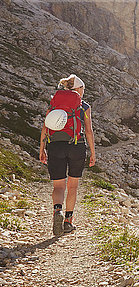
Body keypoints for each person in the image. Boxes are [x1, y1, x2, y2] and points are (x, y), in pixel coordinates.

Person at [39, 74, 96, 236]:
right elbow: (89, 131)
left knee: (58, 186)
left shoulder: (54, 104)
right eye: (82, 89)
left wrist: (42, 149)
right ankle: (68, 221)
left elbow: (45, 128)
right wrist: (92, 152)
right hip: (76, 146)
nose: (83, 92)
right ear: (78, 89)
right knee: (73, 186)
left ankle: (57, 211)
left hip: (55, 146)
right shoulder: (84, 107)